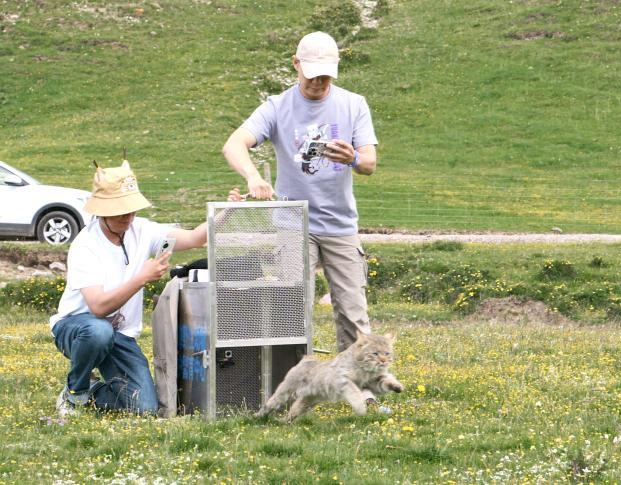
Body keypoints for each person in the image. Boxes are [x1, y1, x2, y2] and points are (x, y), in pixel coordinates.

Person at [222, 31, 378, 352]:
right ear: (296, 64)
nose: (318, 83)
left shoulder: (354, 105)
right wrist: (253, 176)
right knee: (292, 310)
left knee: (353, 312)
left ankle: (359, 387)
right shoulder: (277, 107)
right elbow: (234, 144)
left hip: (340, 225)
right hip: (294, 224)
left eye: (325, 76)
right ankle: (291, 383)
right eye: (311, 75)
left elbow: (370, 164)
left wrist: (354, 158)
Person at [49, 160, 239, 418]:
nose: (128, 217)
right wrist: (142, 278)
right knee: (98, 331)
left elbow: (195, 237)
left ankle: (93, 391)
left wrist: (225, 212)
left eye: (132, 210)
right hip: (78, 328)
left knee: (144, 405)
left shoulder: (143, 230)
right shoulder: (86, 246)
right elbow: (98, 307)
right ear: (103, 211)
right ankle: (75, 391)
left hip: (120, 335)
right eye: (120, 211)